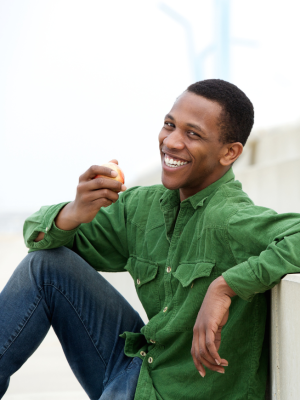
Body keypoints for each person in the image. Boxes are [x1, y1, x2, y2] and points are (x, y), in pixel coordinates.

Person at [1, 79, 300, 400]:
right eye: (169, 125)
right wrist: (74, 212)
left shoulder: (231, 218)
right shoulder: (143, 207)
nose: (171, 141)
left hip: (178, 391)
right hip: (136, 366)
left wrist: (225, 286)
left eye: (192, 133)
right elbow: (39, 238)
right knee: (45, 266)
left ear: (229, 152)